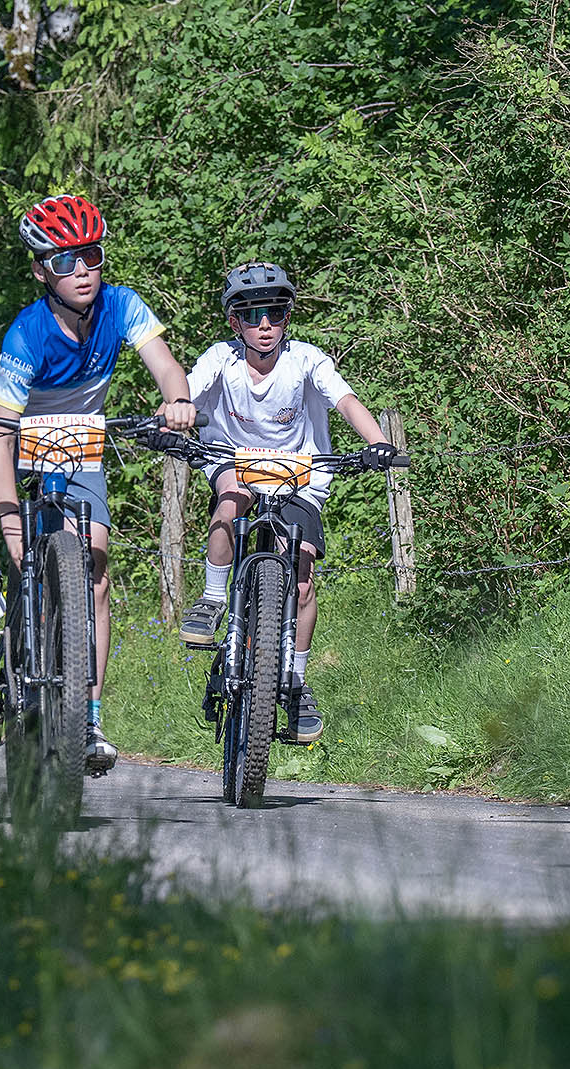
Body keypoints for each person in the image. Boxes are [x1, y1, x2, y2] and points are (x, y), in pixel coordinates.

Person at [0, 193, 197, 772]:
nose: (81, 271)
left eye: (91, 256)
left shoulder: (122, 306)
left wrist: (177, 401)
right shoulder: (27, 331)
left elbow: (167, 367)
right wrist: (10, 527)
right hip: (7, 427)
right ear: (40, 272)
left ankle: (90, 718)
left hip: (72, 439)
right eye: (63, 261)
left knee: (95, 571)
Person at [178, 261, 402, 745]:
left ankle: (296, 681)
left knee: (300, 579)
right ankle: (213, 598)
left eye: (275, 314)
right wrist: (169, 417)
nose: (264, 325)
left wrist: (378, 442)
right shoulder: (221, 359)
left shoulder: (305, 361)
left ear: (287, 317)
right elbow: (185, 394)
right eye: (251, 315)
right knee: (229, 503)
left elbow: (345, 401)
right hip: (235, 462)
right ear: (234, 322)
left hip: (299, 474)